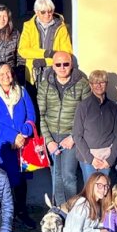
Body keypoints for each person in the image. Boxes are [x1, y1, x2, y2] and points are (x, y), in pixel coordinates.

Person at [0, 62, 37, 227]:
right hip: (3, 146)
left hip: (22, 145)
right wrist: (13, 137)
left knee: (21, 180)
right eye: (2, 74)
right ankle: (3, 216)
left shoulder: (22, 92)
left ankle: (21, 212)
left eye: (9, 73)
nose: (6, 76)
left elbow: (31, 114)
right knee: (3, 180)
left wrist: (24, 134)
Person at [37, 51, 89, 205]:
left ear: (71, 64)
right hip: (51, 134)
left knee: (68, 175)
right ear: (53, 66)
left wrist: (73, 137)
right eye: (58, 64)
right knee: (56, 174)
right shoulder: (45, 84)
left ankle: (71, 209)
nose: (62, 67)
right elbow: (41, 114)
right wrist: (48, 141)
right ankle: (59, 209)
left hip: (71, 135)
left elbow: (86, 114)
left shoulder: (82, 84)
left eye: (66, 64)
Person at [73, 70, 117, 180]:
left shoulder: (114, 107)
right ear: (90, 85)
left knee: (104, 191)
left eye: (102, 82)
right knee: (90, 191)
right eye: (95, 83)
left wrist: (109, 160)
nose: (98, 85)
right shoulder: (83, 106)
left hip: (106, 157)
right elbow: (77, 135)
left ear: (107, 84)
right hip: (88, 159)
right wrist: (91, 159)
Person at [18, 0, 72, 86]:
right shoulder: (28, 26)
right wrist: (46, 53)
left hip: (56, 73)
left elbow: (67, 54)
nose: (47, 14)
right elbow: (23, 50)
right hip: (34, 74)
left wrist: (45, 61)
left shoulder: (61, 27)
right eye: (43, 12)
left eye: (50, 11)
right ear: (36, 12)